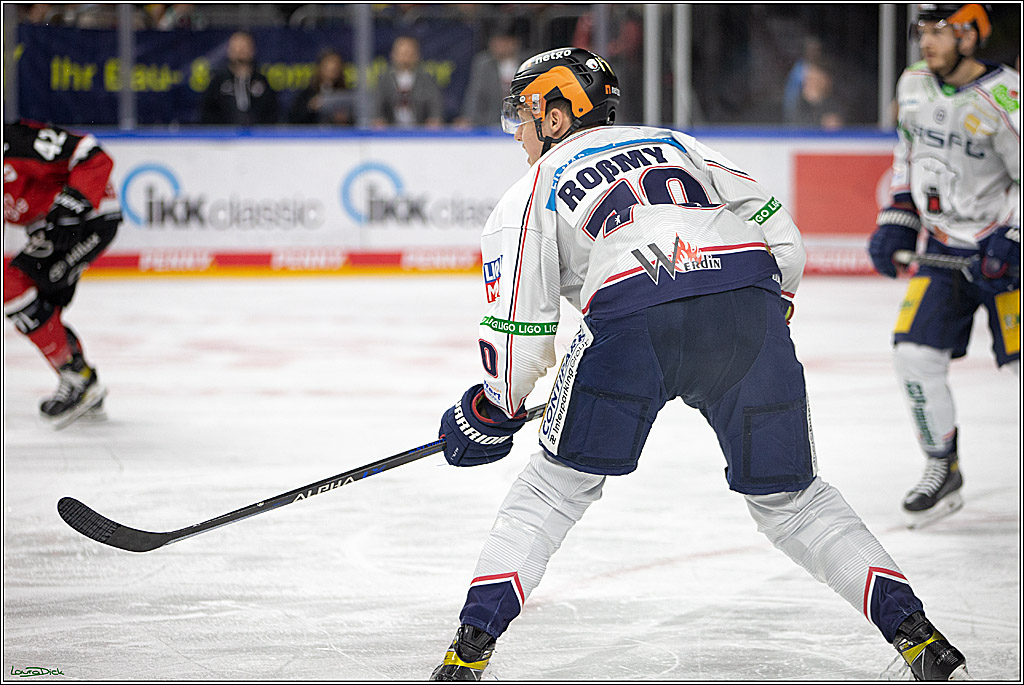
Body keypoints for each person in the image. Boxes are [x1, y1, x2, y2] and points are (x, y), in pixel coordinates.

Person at [429, 47, 969, 682]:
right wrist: (765, 313)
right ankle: (918, 638)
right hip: (747, 302)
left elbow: (520, 330)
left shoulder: (528, 193)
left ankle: (466, 655)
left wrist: (494, 408)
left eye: (522, 114)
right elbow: (781, 234)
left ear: (554, 117)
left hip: (632, 319)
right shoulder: (675, 143)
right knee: (793, 501)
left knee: (552, 488)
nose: (516, 131)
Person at [867, 3, 1020, 529]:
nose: (927, 41)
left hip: (1005, 253)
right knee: (913, 355)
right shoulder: (913, 84)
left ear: (972, 37)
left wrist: (1011, 238)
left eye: (941, 31)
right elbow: (907, 155)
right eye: (923, 30)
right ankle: (942, 467)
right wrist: (897, 219)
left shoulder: (1007, 97)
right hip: (944, 249)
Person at [3, 120, 120, 429]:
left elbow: (92, 154)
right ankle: (80, 378)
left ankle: (77, 377)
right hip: (53, 230)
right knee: (36, 306)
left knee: (12, 288)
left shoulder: (16, 141)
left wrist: (74, 202)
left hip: (90, 219)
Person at [199, 31, 279, 126]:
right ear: (229, 51)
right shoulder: (218, 82)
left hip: (257, 138)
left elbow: (273, 113)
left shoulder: (262, 82)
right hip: (224, 137)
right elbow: (207, 114)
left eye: (244, 47)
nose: (240, 51)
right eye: (236, 47)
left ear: (252, 50)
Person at [454, 27, 524, 129]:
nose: (497, 46)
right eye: (495, 42)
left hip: (521, 122)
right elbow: (475, 94)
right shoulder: (483, 64)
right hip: (488, 123)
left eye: (502, 42)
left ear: (513, 43)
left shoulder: (526, 64)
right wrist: (468, 117)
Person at [372, 35, 444, 129]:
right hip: (390, 131)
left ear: (417, 55)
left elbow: (435, 104)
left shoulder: (427, 79)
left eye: (410, 54)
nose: (405, 58)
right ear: (393, 54)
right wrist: (378, 120)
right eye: (402, 54)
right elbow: (376, 104)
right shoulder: (384, 79)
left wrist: (434, 119)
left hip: (419, 130)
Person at [287, 49, 355, 125]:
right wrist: (310, 107)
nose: (332, 71)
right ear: (320, 68)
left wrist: (346, 118)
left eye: (336, 67)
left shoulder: (345, 93)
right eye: (328, 67)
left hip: (340, 135)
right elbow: (294, 119)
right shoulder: (307, 94)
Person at [783, 58, 847, 130]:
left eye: (812, 79)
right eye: (806, 79)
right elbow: (794, 126)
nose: (807, 83)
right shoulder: (795, 103)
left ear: (824, 81)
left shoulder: (835, 106)